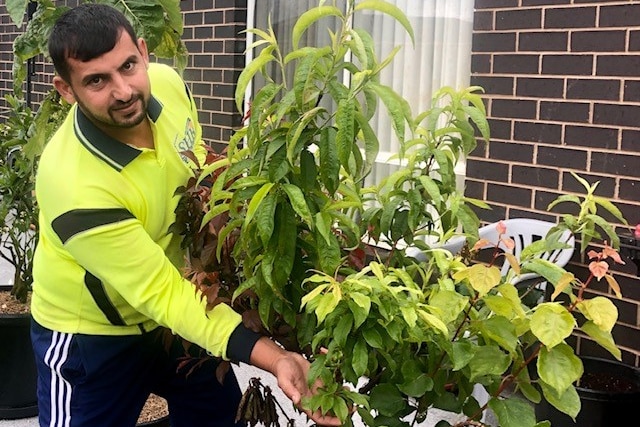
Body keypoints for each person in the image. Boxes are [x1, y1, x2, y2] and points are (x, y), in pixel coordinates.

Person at [30, 4, 341, 427]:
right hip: (94, 334)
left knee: (215, 413)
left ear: (143, 52)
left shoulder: (168, 85)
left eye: (128, 66)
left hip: (182, 305)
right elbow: (161, 293)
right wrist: (275, 357)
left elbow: (198, 173)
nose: (123, 91)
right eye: (97, 80)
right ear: (66, 90)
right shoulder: (71, 182)